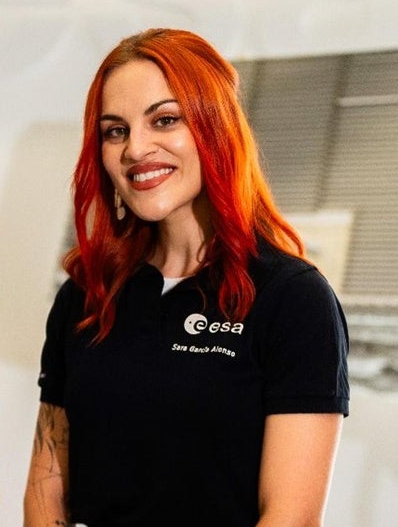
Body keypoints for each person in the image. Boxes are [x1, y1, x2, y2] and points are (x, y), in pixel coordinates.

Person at [24, 28, 349, 526]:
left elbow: (291, 516)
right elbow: (47, 492)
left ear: (215, 127)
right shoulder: (86, 295)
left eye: (165, 120)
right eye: (116, 130)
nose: (136, 148)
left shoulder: (292, 298)